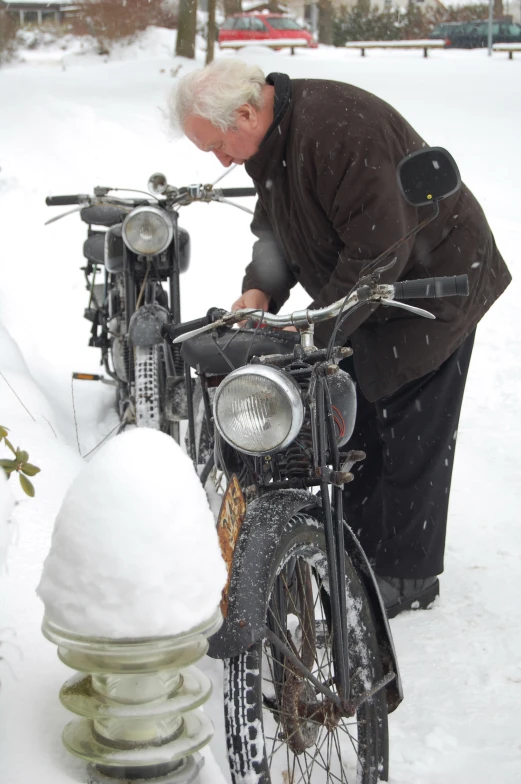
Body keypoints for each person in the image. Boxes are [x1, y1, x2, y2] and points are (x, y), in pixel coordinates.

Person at [170, 60, 511, 618]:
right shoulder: (273, 142)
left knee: (411, 427)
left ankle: (407, 574)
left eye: (217, 146)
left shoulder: (339, 130)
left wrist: (311, 333)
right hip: (370, 293)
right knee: (355, 423)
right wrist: (259, 291)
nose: (221, 161)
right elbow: (276, 230)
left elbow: (379, 251)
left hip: (431, 288)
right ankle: (359, 552)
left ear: (248, 112)